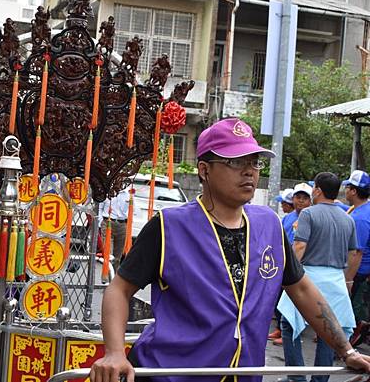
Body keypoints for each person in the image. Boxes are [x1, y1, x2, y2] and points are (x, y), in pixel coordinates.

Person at [89, 118, 370, 382]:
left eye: (254, 162)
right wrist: (114, 352)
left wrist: (346, 351)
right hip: (171, 372)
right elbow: (119, 289)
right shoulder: (168, 227)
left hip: (243, 372)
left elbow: (303, 290)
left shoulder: (269, 225)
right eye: (235, 162)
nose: (249, 170)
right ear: (204, 169)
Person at [278, 172, 361, 382]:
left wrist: (288, 276)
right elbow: (353, 254)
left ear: (317, 190)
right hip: (336, 281)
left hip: (307, 277)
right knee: (329, 332)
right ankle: (320, 379)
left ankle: (296, 378)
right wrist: (347, 280)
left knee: (289, 326)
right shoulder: (348, 218)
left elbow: (299, 246)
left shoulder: (308, 214)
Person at [269, 183, 313, 345]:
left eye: (304, 198)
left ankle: (294, 333)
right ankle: (280, 329)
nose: (300, 201)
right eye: (297, 197)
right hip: (282, 262)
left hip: (298, 266)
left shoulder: (309, 217)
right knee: (279, 299)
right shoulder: (288, 217)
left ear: (310, 201)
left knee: (295, 302)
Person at [343, 170, 370, 345]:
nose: (345, 190)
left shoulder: (360, 218)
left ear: (353, 191)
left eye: (347, 187)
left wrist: (348, 281)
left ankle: (347, 342)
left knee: (349, 312)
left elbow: (356, 252)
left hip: (358, 271)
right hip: (361, 271)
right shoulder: (361, 210)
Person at [99, 187, 130, 275]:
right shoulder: (106, 191)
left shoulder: (128, 194)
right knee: (108, 254)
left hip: (122, 224)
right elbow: (100, 208)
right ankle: (106, 276)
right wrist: (101, 222)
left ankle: (114, 277)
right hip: (108, 223)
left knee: (118, 257)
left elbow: (132, 210)